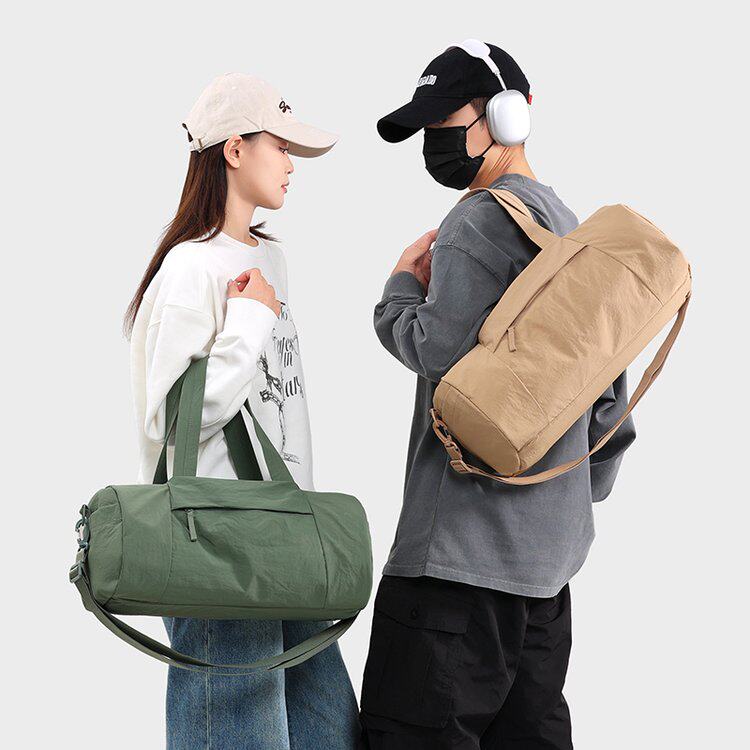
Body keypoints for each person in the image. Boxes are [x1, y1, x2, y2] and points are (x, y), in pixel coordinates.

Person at [358, 41, 637, 749]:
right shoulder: (574, 231)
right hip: (546, 583)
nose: (434, 140)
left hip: (453, 569)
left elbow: (436, 350)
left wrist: (399, 289)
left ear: (509, 115)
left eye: (444, 122)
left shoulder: (477, 220)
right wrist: (556, 499)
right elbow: (612, 410)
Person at [124, 73, 359, 750]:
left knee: (331, 734)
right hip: (218, 544)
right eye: (280, 147)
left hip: (285, 534)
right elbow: (176, 421)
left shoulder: (271, 258)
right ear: (234, 150)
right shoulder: (189, 269)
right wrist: (249, 321)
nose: (290, 164)